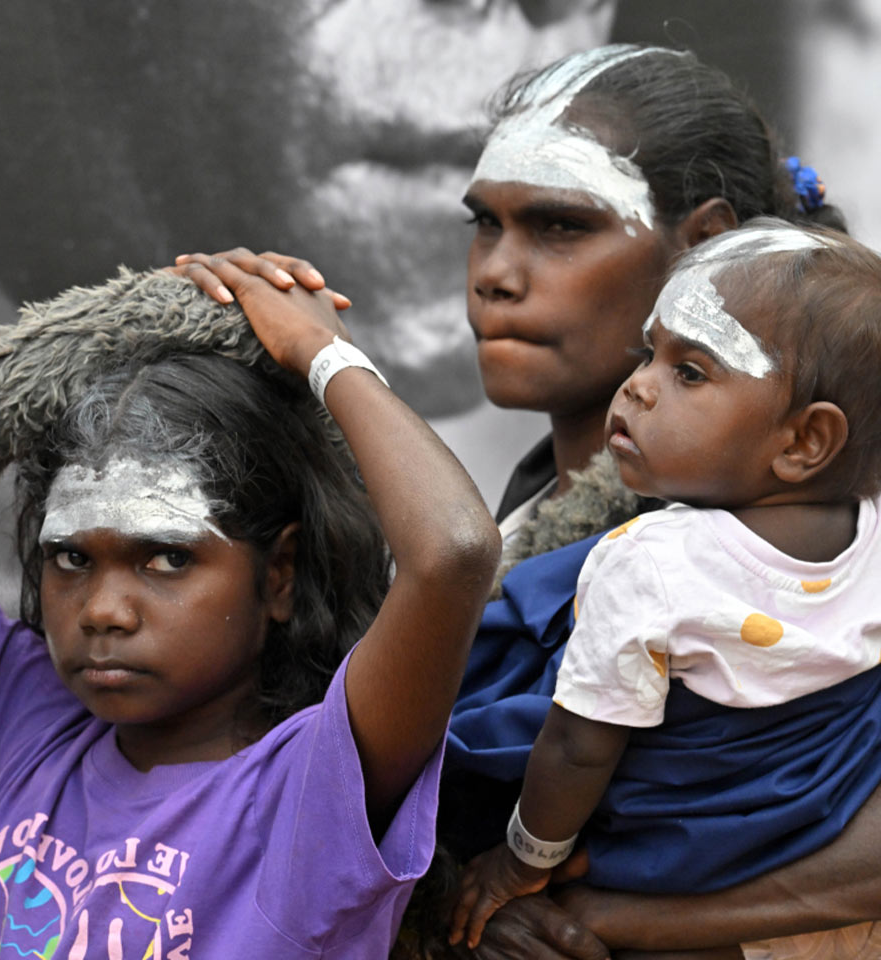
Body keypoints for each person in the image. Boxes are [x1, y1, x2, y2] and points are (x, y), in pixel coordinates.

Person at [177, 43, 881, 959]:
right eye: (486, 224)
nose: (495, 273)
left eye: (559, 227)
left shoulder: (800, 549)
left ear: (701, 245)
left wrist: (603, 920)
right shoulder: (527, 513)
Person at [0, 262, 501, 955]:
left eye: (167, 558)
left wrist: (321, 353)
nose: (103, 611)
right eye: (72, 558)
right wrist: (112, 321)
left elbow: (454, 553)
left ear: (279, 575)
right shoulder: (26, 724)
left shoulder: (312, 791)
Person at [450, 221, 881, 957]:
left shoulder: (653, 563)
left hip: (650, 865)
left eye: (690, 371)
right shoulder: (870, 536)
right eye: (647, 352)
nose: (638, 387)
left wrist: (521, 860)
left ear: (805, 442)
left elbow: (580, 748)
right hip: (797, 847)